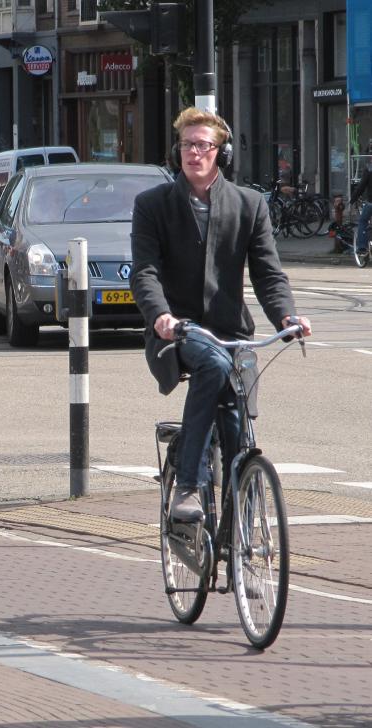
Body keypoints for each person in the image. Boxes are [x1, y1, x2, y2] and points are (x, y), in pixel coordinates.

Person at [130, 107, 313, 522]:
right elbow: (145, 271)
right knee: (212, 365)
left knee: (236, 425)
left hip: (232, 333)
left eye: (203, 145)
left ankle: (236, 530)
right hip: (178, 332)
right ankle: (188, 485)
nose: (193, 153)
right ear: (176, 152)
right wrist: (161, 316)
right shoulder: (153, 205)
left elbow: (268, 274)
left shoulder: (249, 205)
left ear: (222, 153)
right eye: (186, 145)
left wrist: (286, 318)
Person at [349, 163, 372, 254]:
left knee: (363, 221)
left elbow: (361, 187)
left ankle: (362, 247)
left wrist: (352, 201)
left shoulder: (369, 168)